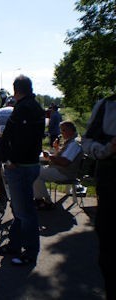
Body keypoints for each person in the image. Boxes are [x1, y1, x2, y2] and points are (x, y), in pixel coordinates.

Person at [0, 75, 45, 266]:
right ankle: (14, 244)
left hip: (21, 166)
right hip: (27, 165)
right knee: (20, 210)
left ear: (16, 90)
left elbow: (23, 138)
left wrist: (11, 159)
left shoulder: (25, 108)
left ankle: (30, 252)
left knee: (25, 212)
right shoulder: (35, 107)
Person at [81, 94, 116, 300]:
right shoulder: (106, 105)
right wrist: (105, 150)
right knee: (109, 249)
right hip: (110, 182)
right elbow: (87, 141)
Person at [33, 121, 83, 210]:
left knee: (35, 172)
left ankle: (44, 202)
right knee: (34, 171)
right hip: (60, 170)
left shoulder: (74, 144)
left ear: (71, 131)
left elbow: (65, 162)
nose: (61, 132)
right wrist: (56, 148)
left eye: (63, 130)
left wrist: (50, 156)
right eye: (61, 130)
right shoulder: (70, 142)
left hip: (65, 173)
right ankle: (41, 200)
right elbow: (62, 158)